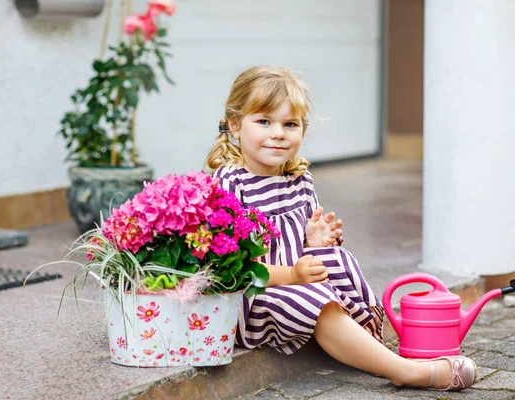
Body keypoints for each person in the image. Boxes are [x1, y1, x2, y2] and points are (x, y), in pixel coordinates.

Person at [204, 66, 477, 391]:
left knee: (339, 259)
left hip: (296, 281)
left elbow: (299, 249)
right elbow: (232, 269)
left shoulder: (298, 179)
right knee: (312, 295)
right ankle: (404, 370)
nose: (278, 133)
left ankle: (371, 346)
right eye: (264, 122)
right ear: (235, 125)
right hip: (251, 299)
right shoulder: (228, 185)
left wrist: (315, 241)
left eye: (290, 124)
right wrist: (293, 275)